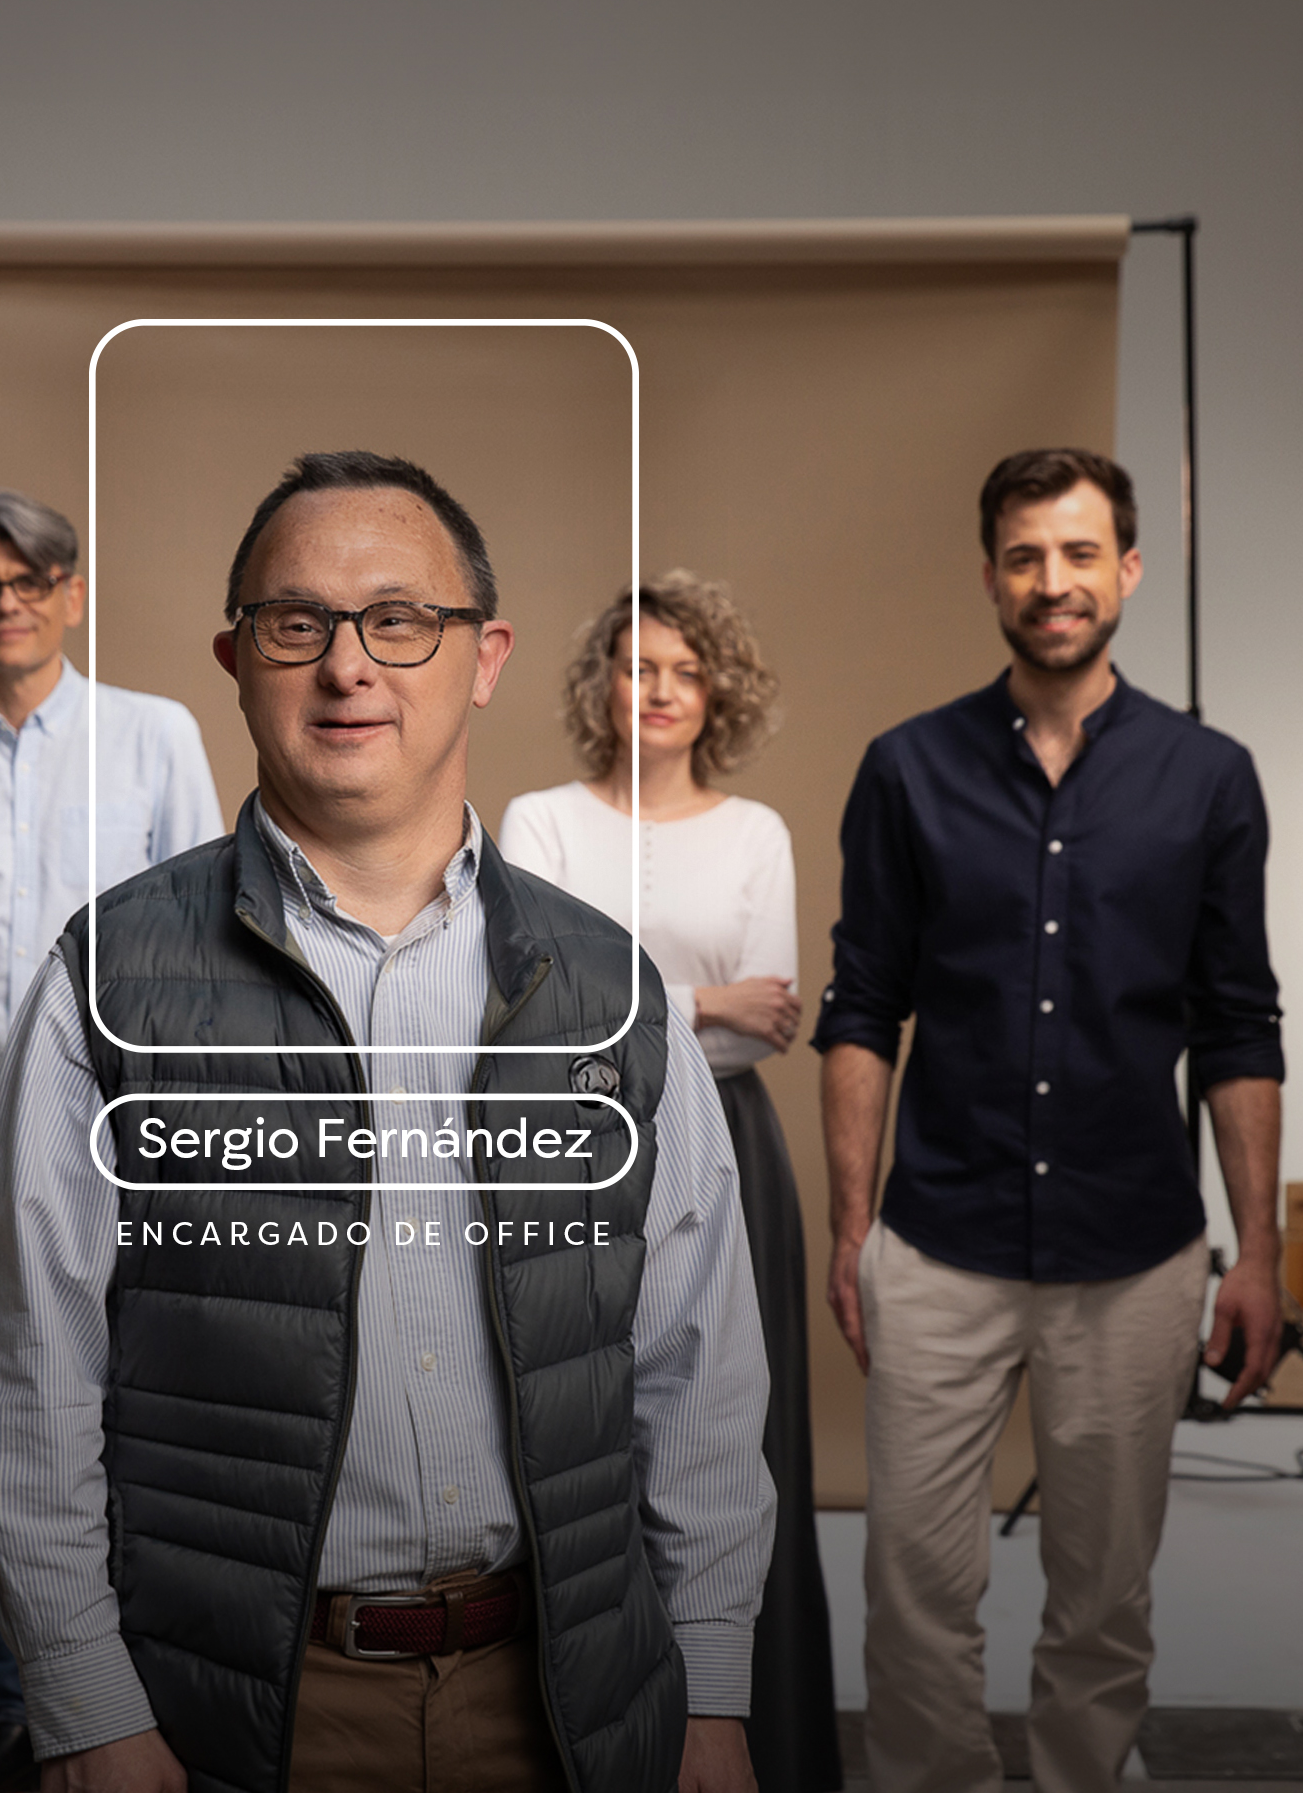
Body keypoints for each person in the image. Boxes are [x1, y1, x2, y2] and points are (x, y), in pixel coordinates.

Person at [0, 450, 774, 1793]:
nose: (350, 666)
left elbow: (698, 1373)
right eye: (299, 623)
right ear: (234, 655)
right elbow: (27, 1382)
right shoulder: (107, 983)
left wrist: (713, 1686)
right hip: (241, 1714)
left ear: (486, 654)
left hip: (567, 1700)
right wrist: (88, 1706)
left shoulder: (609, 995)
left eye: (401, 620)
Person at [813, 448, 1285, 1793]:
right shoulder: (907, 769)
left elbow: (1238, 1028)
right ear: (991, 577)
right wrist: (855, 1231)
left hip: (1132, 1252)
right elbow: (862, 1010)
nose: (1054, 580)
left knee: (1102, 1603)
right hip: (939, 1243)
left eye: (1080, 553)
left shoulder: (1210, 778)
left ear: (1127, 569)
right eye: (1026, 555)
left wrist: (1251, 1253)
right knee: (914, 1600)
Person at [0, 489, 222, 1793]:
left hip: (122, 1100)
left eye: (28, 579)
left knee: (138, 1399)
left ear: (71, 592)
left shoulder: (155, 735)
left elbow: (206, 932)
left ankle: (146, 1697)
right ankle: (27, 1714)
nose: (4, 600)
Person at [500, 570, 843, 1793]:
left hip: (734, 1152)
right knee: (580, 1437)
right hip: (567, 1154)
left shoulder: (756, 835)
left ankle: (744, 1738)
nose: (657, 689)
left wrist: (629, 997)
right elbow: (531, 1013)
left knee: (730, 1441)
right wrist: (698, 999)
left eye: (683, 670)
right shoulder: (539, 820)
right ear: (602, 683)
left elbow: (771, 1026)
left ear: (717, 693)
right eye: (636, 665)